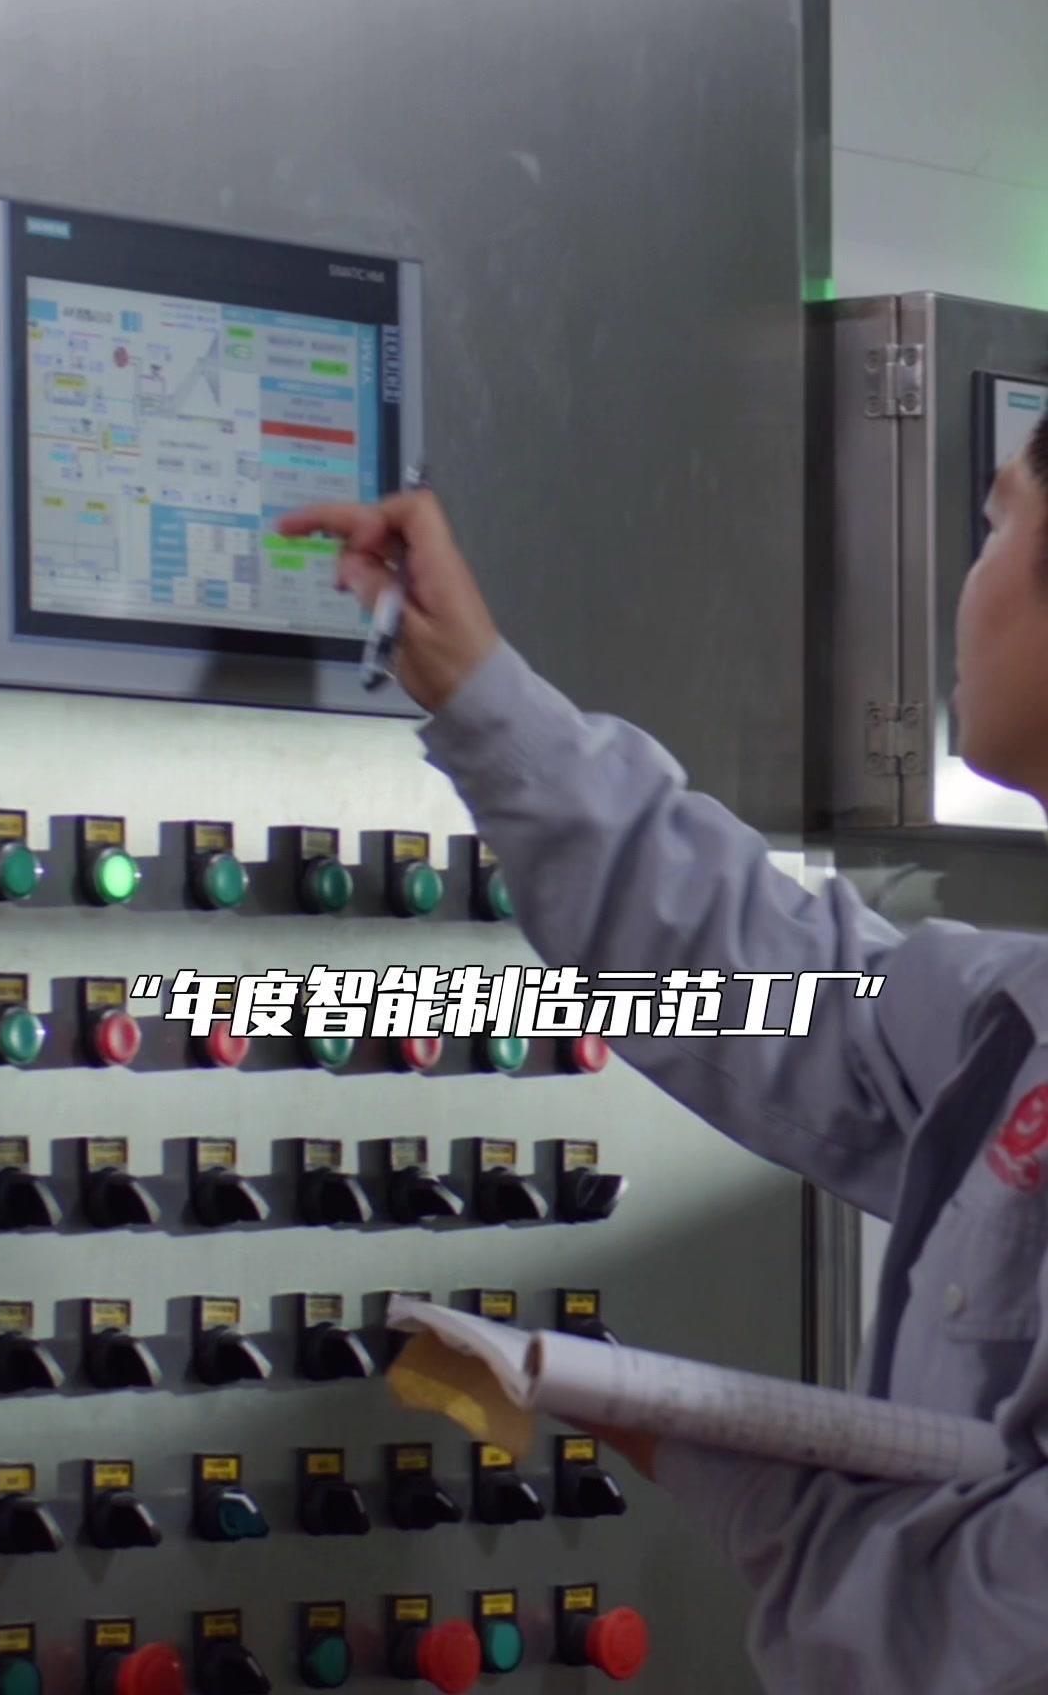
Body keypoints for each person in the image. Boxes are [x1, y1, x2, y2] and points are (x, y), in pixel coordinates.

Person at [278, 431, 1048, 1695]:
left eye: (996, 527)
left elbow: (998, 1641)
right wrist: (483, 696)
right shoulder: (1019, 1019)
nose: (970, 581)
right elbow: (781, 987)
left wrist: (734, 1480)